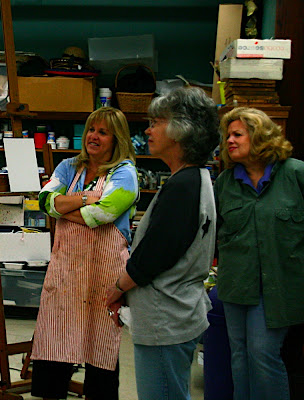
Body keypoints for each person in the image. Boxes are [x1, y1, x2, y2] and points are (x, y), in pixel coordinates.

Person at [105, 87, 220, 400]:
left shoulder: (183, 186)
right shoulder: (194, 178)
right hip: (175, 313)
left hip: (166, 319)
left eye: (156, 122)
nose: (148, 130)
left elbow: (154, 256)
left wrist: (118, 288)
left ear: (182, 130)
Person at [31, 107, 139, 400]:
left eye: (103, 132)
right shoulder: (69, 166)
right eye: (91, 130)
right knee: (55, 341)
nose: (94, 136)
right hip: (66, 274)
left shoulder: (125, 173)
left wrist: (64, 208)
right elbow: (45, 201)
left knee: (101, 347)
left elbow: (104, 214)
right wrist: (83, 198)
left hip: (103, 278)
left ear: (116, 139)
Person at [215, 107, 304, 400]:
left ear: (260, 136)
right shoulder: (225, 183)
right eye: (227, 135)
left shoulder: (295, 173)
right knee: (240, 355)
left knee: (262, 353)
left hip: (280, 285)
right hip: (236, 284)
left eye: (237, 134)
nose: (229, 140)